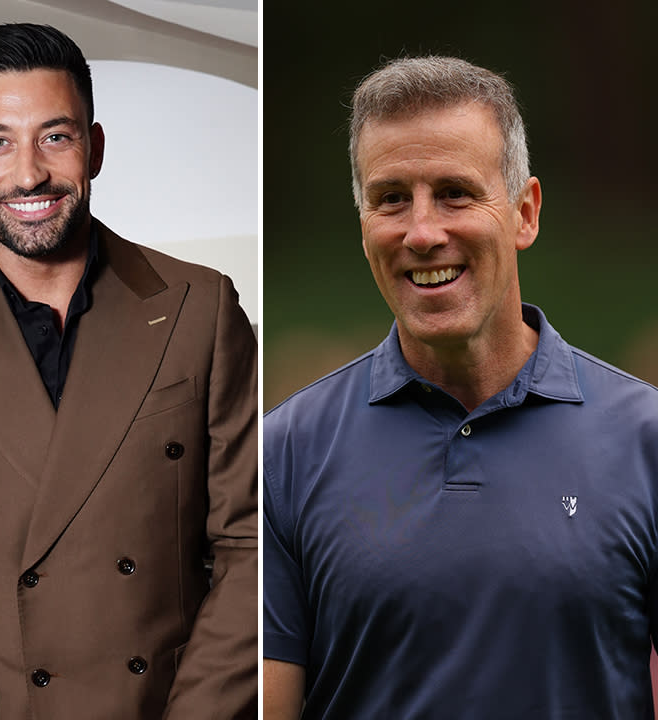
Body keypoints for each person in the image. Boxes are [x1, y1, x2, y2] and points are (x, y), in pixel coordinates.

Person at [0, 22, 257, 720]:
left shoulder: (202, 308)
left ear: (95, 147)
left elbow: (252, 544)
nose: (28, 173)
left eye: (56, 135)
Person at [263, 55, 658, 718]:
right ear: (364, 230)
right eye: (391, 199)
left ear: (525, 214)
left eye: (454, 193)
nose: (422, 232)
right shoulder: (285, 454)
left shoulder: (646, 440)